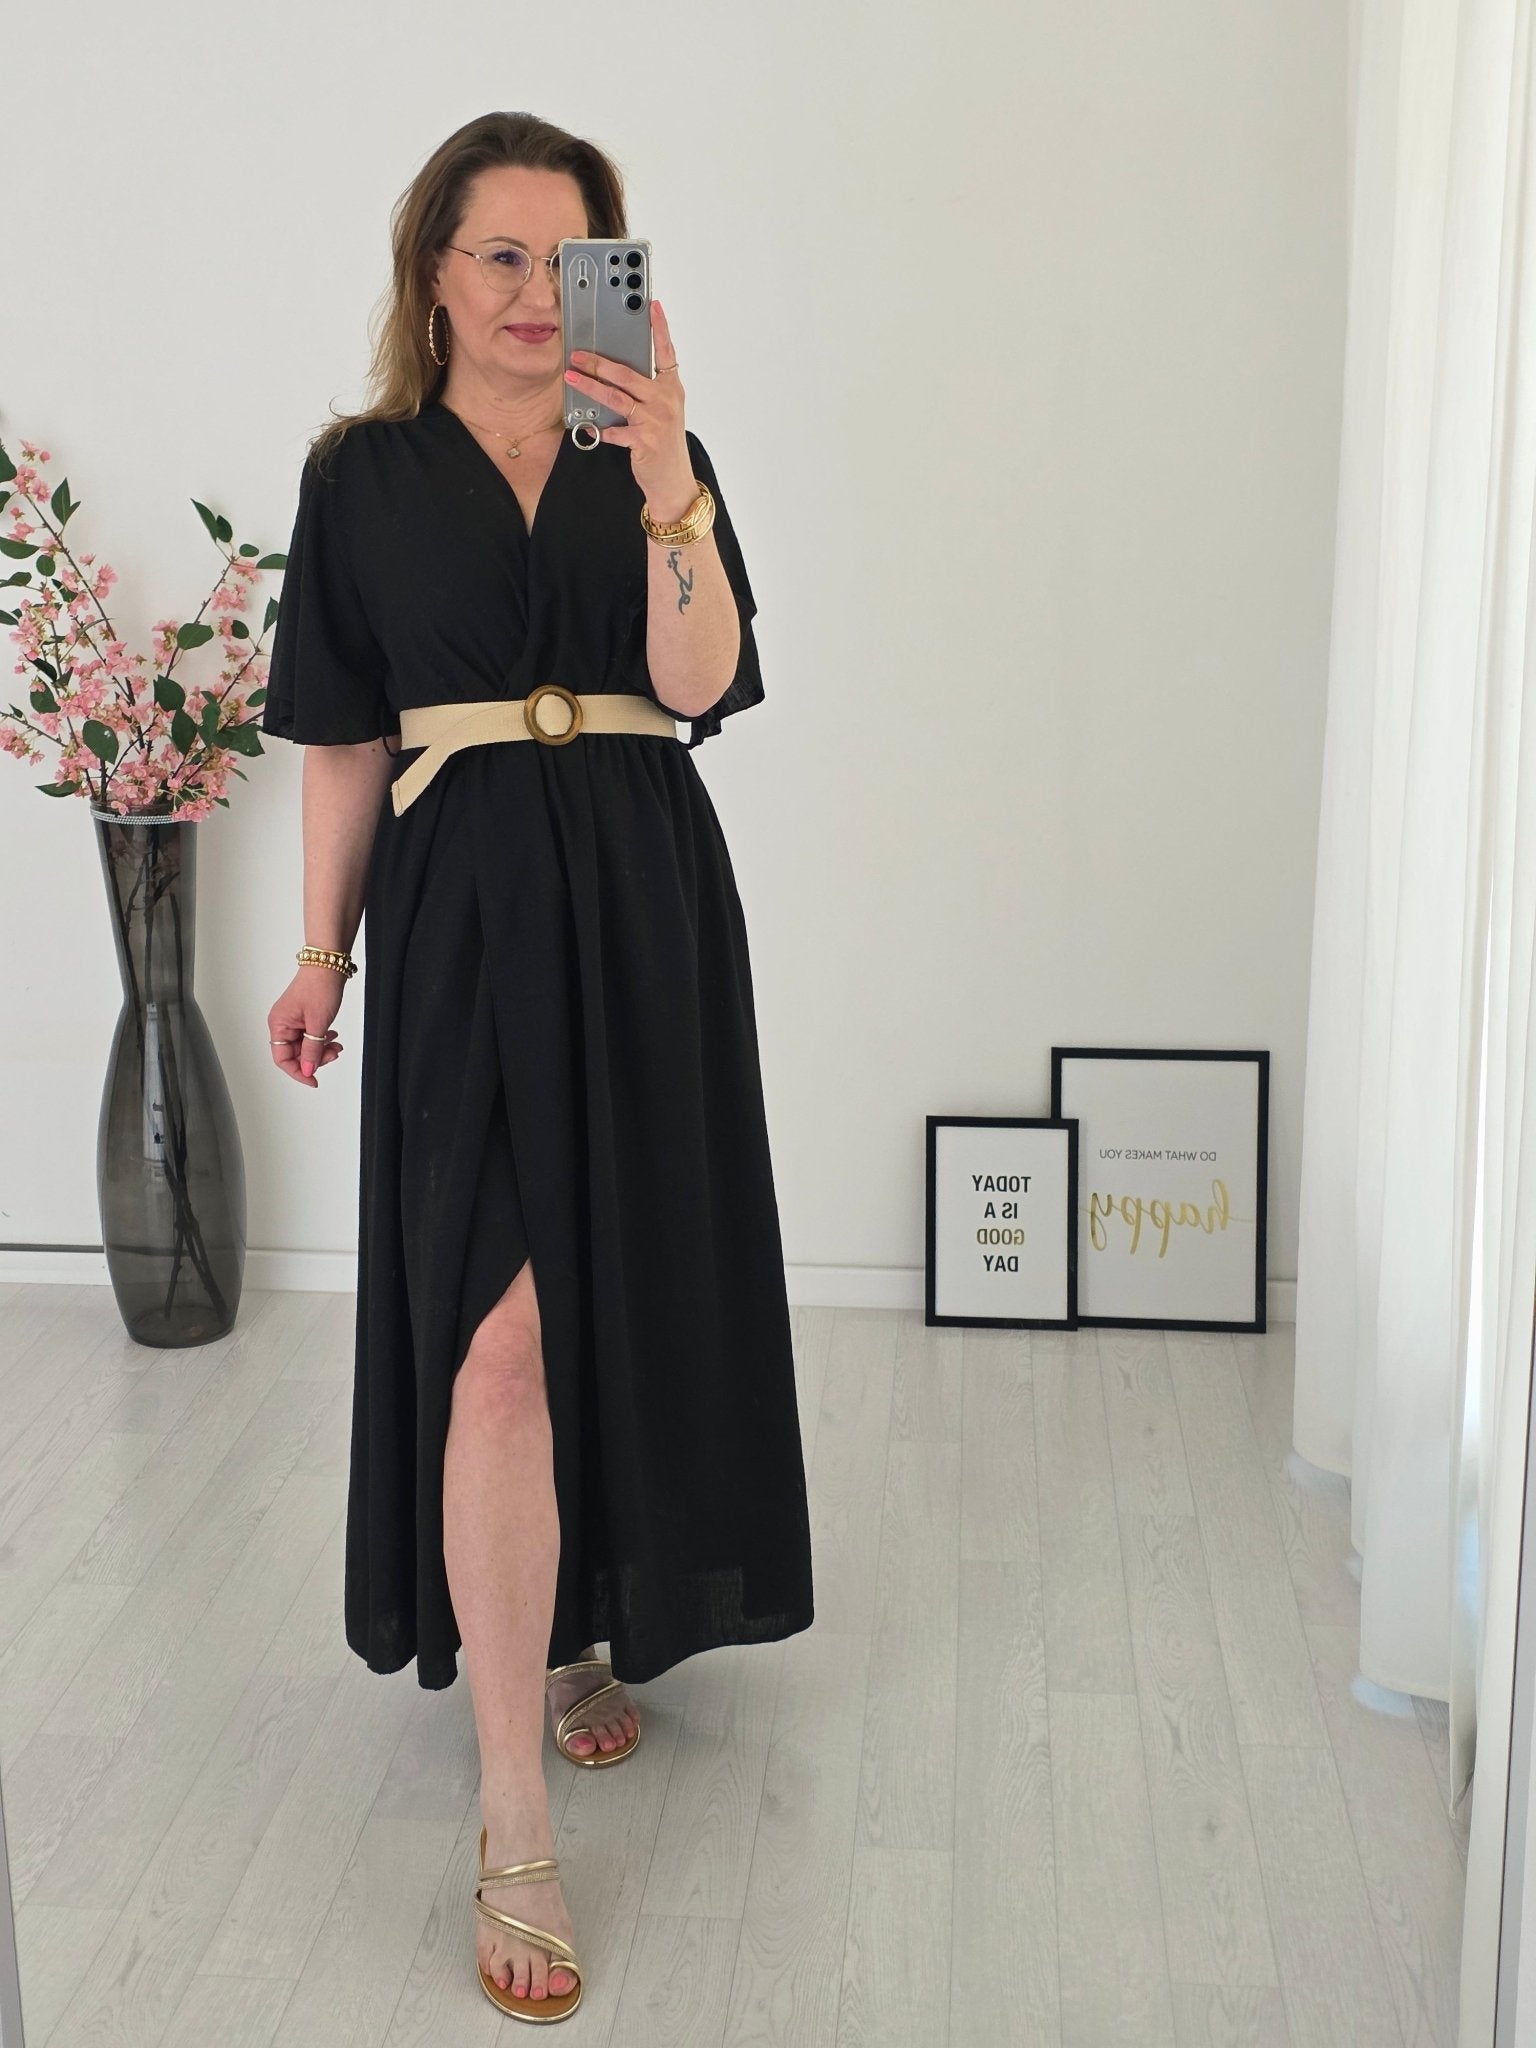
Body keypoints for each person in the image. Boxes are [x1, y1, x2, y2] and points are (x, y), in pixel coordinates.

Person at [260, 110, 814, 2024]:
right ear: (433, 272)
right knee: (495, 1330)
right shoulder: (360, 475)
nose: (525, 292)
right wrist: (319, 953)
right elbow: (344, 737)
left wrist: (666, 482)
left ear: (610, 277)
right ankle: (512, 1808)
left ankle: (581, 1625)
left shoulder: (651, 450)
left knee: (614, 1290)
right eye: (495, 255)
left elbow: (699, 683)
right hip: (461, 917)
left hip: (642, 901)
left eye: (563, 259)